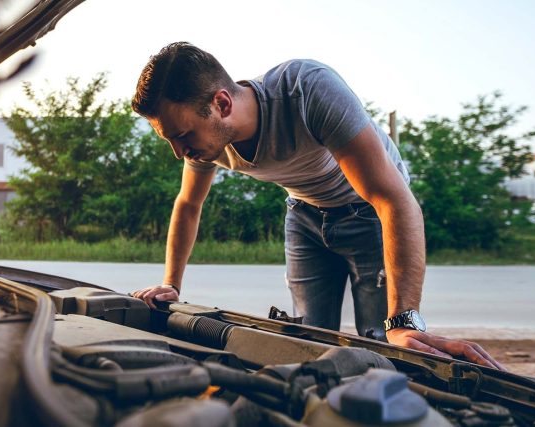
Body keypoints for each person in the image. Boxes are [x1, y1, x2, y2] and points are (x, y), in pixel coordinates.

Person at [130, 42, 504, 370]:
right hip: (304, 215)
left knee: (385, 344)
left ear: (222, 104)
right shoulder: (203, 142)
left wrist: (404, 320)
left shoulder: (307, 90)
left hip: (369, 212)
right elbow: (189, 204)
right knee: (309, 343)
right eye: (170, 139)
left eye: (182, 136)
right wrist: (171, 284)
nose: (178, 151)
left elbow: (393, 199)